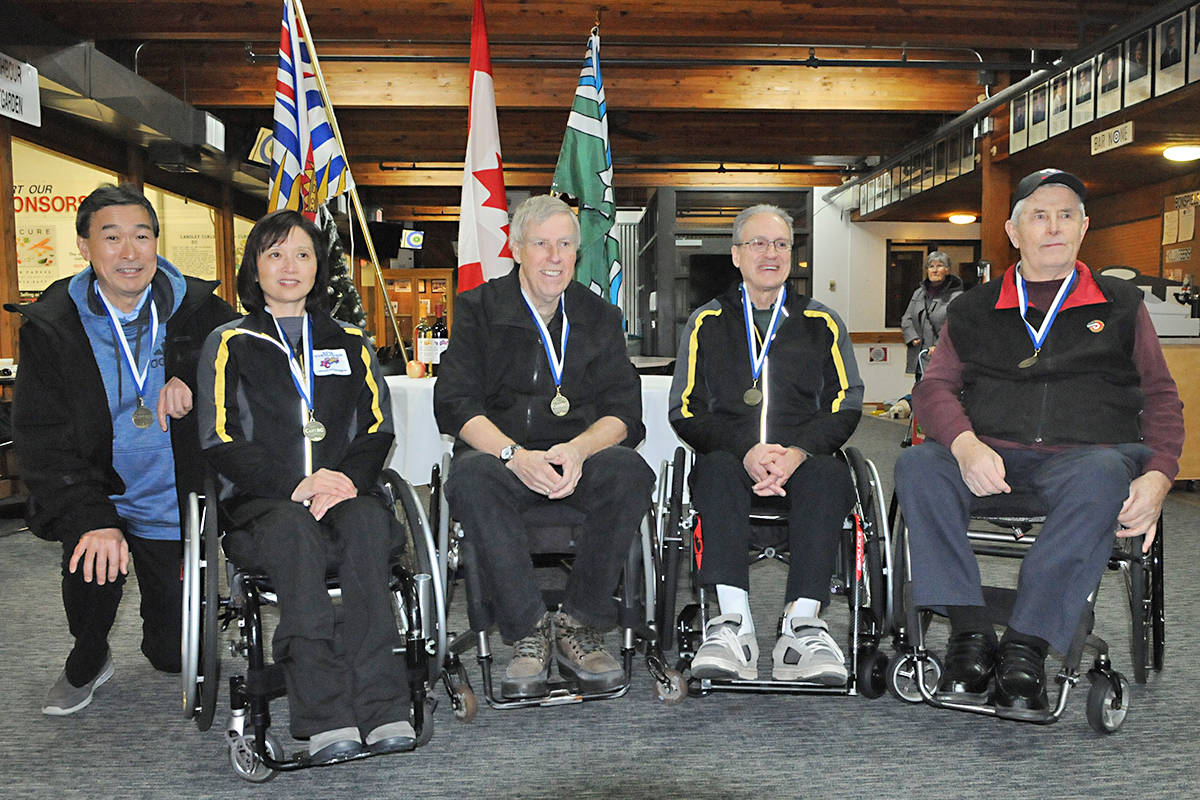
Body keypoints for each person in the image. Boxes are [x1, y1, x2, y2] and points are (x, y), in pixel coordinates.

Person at [894, 169, 1183, 717]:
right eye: (1039, 215)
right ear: (1013, 230)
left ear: (1083, 227)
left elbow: (1162, 397)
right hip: (992, 455)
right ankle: (970, 636)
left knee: (1105, 475)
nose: (1053, 227)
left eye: (1066, 214)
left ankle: (1026, 646)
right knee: (920, 466)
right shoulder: (974, 307)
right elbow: (934, 388)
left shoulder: (1122, 304)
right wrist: (964, 444)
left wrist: (1161, 473)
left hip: (1085, 459)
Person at [9, 183, 236, 716]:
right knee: (93, 567)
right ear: (85, 247)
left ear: (157, 242)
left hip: (170, 502)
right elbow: (41, 435)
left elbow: (247, 378)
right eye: (111, 238)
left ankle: (160, 634)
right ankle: (88, 657)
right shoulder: (53, 325)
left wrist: (195, 381)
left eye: (141, 236)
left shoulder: (202, 310)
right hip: (99, 498)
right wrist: (90, 517)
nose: (129, 252)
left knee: (171, 656)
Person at [197, 209, 413, 762]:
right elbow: (220, 439)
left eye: (302, 254)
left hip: (345, 494)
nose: (289, 266)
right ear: (256, 267)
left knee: (369, 524)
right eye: (274, 254)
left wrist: (343, 480)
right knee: (295, 535)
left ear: (319, 267)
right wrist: (297, 484)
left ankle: (385, 706)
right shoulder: (229, 343)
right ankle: (324, 716)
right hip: (264, 504)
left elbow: (376, 429)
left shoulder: (350, 341)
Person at [434, 194, 655, 699]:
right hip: (504, 458)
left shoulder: (599, 316)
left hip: (578, 457)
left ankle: (579, 622)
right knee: (468, 476)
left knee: (630, 472)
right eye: (541, 244)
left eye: (565, 245)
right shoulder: (478, 309)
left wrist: (577, 450)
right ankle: (528, 629)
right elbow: (454, 402)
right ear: (516, 249)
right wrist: (514, 455)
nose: (554, 257)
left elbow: (624, 411)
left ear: (577, 254)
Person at [668, 204, 864, 683]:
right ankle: (733, 623)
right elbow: (686, 410)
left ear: (792, 256)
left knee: (832, 472)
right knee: (711, 469)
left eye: (780, 244)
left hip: (805, 459)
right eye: (757, 243)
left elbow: (846, 404)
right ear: (736, 255)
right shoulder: (706, 322)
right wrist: (747, 451)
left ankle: (803, 625)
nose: (770, 253)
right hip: (732, 458)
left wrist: (795, 452)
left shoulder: (823, 322)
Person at [900, 250, 965, 375]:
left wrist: (938, 345)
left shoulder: (956, 296)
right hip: (920, 357)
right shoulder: (919, 293)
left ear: (947, 270)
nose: (934, 270)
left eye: (939, 266)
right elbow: (906, 318)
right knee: (921, 391)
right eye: (931, 266)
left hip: (944, 358)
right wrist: (912, 336)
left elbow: (956, 327)